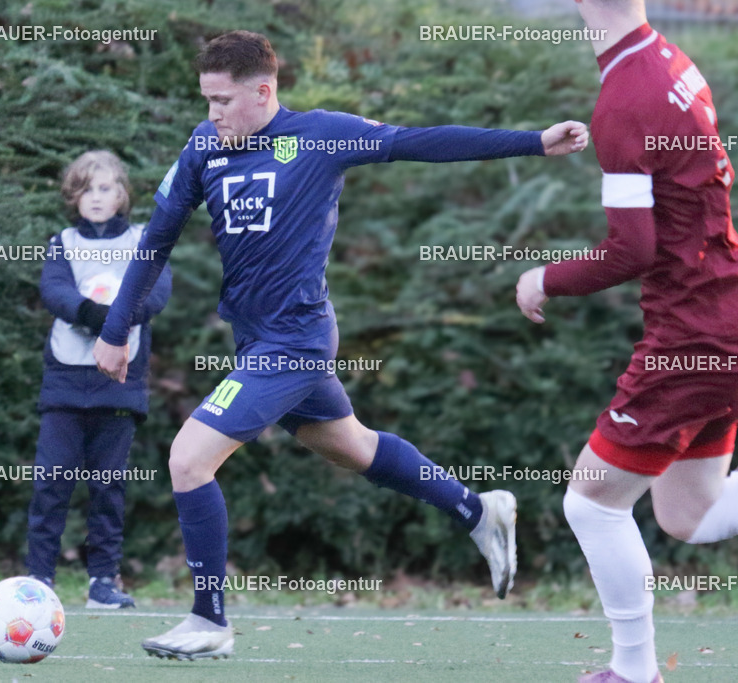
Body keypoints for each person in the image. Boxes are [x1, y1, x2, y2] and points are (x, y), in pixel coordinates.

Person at [95, 30, 588, 659]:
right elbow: (155, 240)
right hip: (255, 341)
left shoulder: (321, 135)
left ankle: (208, 621)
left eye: (222, 100)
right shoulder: (202, 147)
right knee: (353, 447)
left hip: (297, 340)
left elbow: (420, 141)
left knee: (190, 460)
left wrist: (533, 141)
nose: (211, 113)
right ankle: (477, 510)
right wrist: (116, 328)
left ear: (263, 92)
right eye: (206, 100)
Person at [515, 2, 738, 681]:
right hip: (722, 315)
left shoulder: (624, 100)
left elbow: (632, 250)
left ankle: (634, 671)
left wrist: (545, 277)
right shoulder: (668, 59)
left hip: (694, 334)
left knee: (589, 500)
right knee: (688, 515)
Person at [26, 150, 172, 609]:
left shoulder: (144, 239)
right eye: (86, 188)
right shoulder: (62, 242)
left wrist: (118, 321)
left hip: (119, 382)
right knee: (52, 483)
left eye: (105, 188)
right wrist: (94, 316)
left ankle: (102, 584)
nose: (95, 197)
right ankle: (39, 582)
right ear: (74, 195)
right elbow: (55, 291)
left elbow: (157, 291)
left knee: (108, 486)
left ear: (122, 195)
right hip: (66, 381)